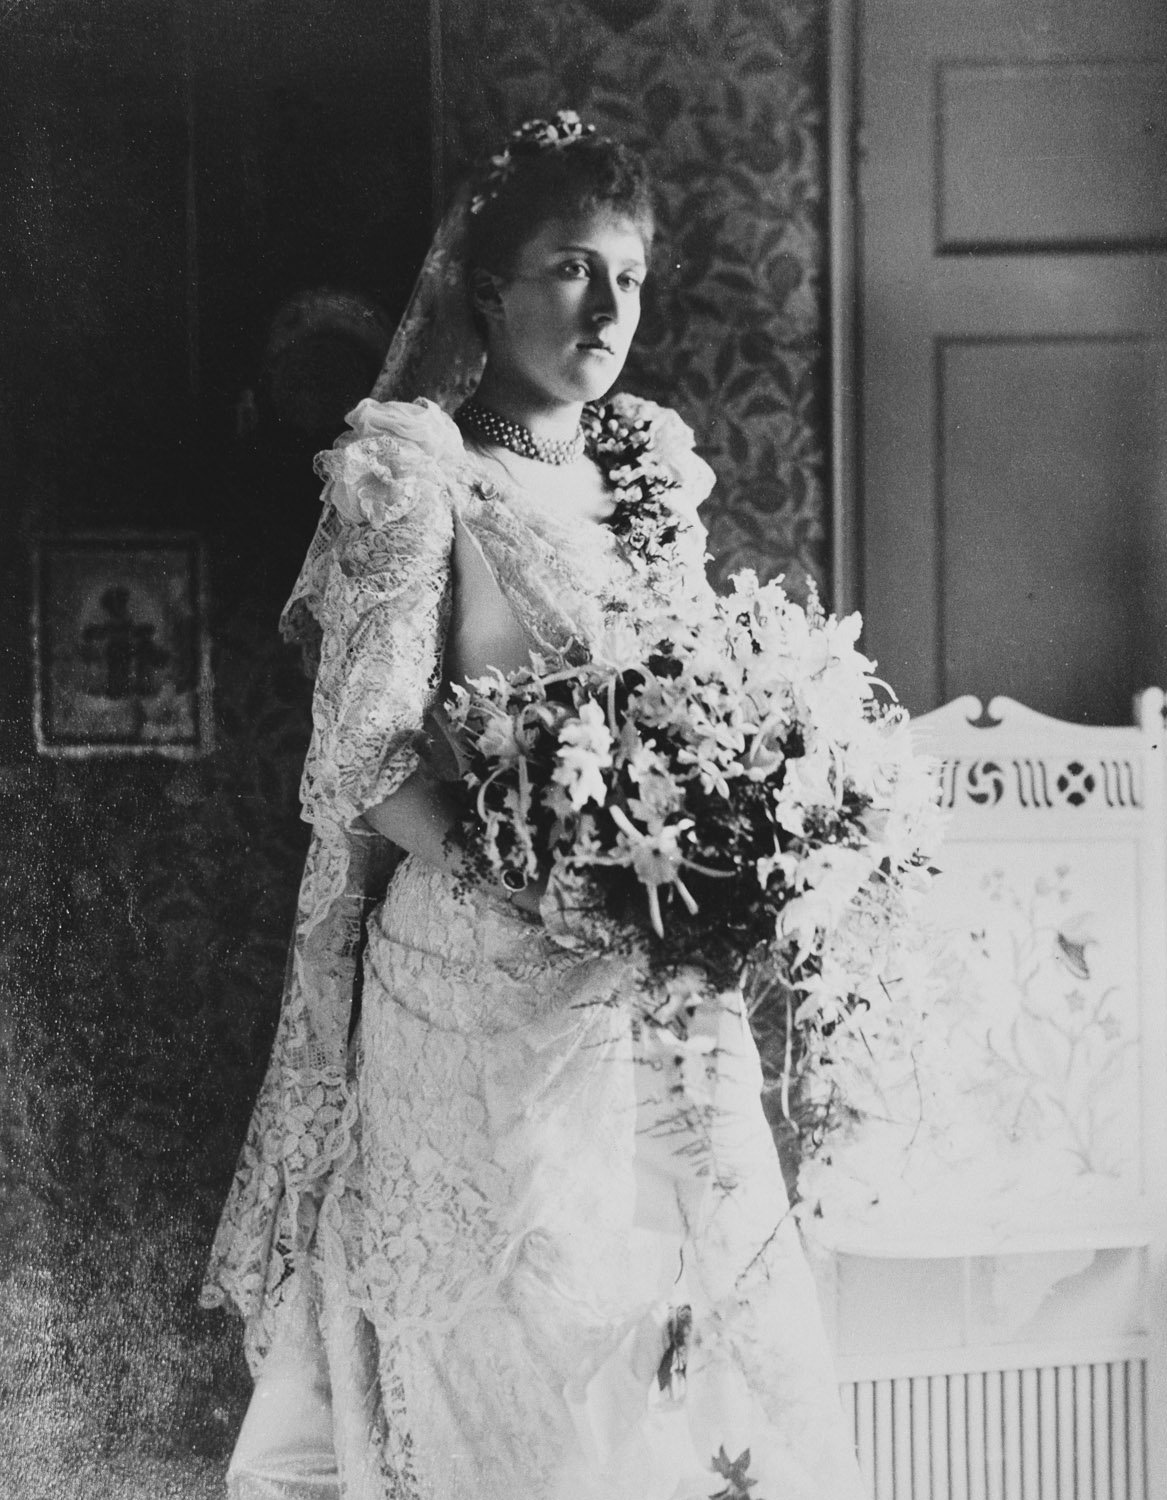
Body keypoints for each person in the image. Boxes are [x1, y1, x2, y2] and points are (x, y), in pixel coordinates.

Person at [202, 111, 867, 1500]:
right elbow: (363, 762)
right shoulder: (414, 470)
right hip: (473, 991)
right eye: (572, 267)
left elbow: (692, 721)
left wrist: (726, 851)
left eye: (628, 274)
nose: (608, 306)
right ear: (489, 290)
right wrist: (540, 877)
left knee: (665, 1364)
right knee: (515, 1394)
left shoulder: (648, 480)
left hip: (642, 983)